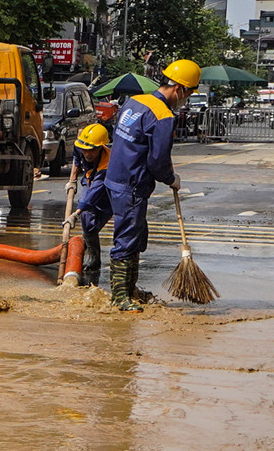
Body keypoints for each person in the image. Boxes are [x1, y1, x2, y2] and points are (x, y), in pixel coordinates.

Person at [104, 59, 199, 311]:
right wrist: (171, 179)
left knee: (134, 237)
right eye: (188, 94)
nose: (185, 100)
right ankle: (119, 297)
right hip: (132, 184)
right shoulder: (163, 116)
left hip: (115, 178)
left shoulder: (135, 101)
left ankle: (128, 289)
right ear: (179, 88)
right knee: (126, 239)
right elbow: (157, 162)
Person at [69, 123, 113, 287]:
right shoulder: (79, 146)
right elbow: (76, 156)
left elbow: (92, 194)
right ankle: (93, 258)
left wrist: (75, 213)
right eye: (84, 149)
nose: (87, 153)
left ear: (101, 147)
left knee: (90, 209)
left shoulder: (107, 164)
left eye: (92, 150)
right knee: (87, 218)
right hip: (90, 178)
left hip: (109, 190)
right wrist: (72, 179)